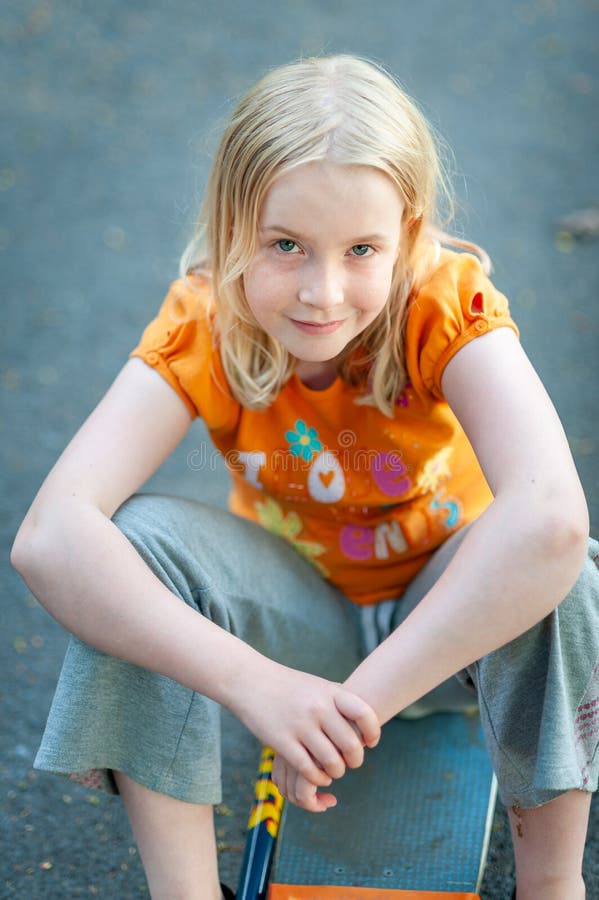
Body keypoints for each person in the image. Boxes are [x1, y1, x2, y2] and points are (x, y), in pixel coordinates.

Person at [11, 55, 598, 900]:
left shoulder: (443, 303)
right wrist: (261, 689)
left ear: (412, 232)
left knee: (563, 571)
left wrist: (349, 713)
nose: (322, 293)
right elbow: (49, 537)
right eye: (284, 245)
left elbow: (548, 519)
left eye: (362, 249)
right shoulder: (206, 320)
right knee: (126, 551)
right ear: (230, 226)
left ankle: (551, 884)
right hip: (296, 628)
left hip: (452, 628)